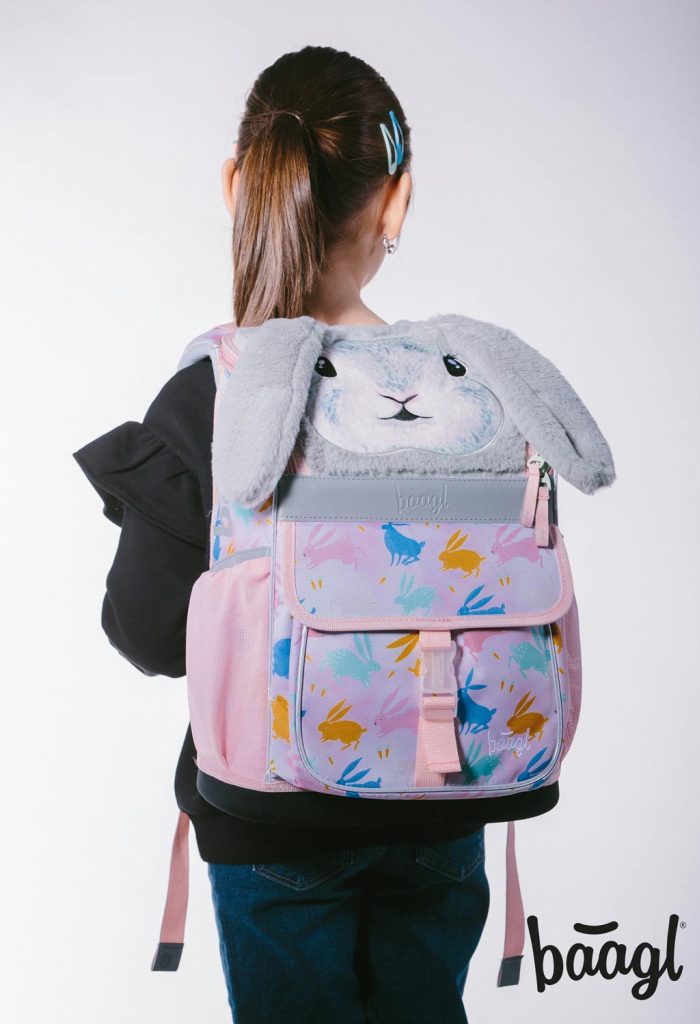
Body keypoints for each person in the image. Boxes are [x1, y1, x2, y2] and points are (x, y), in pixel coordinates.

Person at [73, 44, 559, 1024]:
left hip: (273, 818)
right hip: (444, 797)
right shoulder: (469, 390)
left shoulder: (217, 390)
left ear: (236, 189)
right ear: (395, 203)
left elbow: (144, 628)